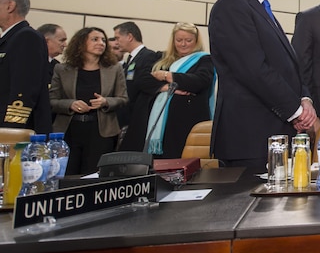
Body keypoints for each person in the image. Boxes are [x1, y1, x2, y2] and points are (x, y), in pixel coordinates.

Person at [209, 0, 316, 172]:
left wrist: (304, 99)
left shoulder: (260, 8)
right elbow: (253, 70)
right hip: (249, 141)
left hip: (272, 136)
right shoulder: (232, 5)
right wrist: (296, 112)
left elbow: (288, 66)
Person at [50, 27, 127, 175]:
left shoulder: (114, 69)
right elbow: (52, 100)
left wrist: (106, 102)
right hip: (69, 130)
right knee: (67, 174)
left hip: (101, 132)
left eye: (103, 40)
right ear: (81, 43)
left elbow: (123, 99)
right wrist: (70, 104)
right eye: (95, 39)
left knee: (93, 175)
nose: (101, 43)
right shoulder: (62, 69)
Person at [140, 23, 215, 159]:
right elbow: (143, 80)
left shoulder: (204, 60)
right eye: (179, 40)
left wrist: (168, 76)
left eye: (188, 40)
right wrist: (167, 88)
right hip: (163, 122)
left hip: (188, 122)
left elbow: (199, 81)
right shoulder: (162, 59)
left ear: (196, 41)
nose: (183, 44)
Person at [0, 0, 52, 134]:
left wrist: (11, 128)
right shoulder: (9, 39)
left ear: (10, 6)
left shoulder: (26, 37)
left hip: (17, 129)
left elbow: (24, 87)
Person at [114, 21, 161, 152]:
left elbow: (143, 84)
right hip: (126, 117)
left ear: (129, 37)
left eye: (118, 38)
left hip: (137, 117)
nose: (116, 42)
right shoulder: (130, 59)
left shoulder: (147, 56)